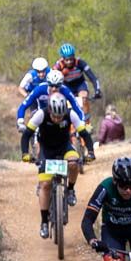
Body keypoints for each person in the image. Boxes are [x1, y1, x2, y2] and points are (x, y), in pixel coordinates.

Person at [23, 93, 93, 236]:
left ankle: (71, 190)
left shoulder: (71, 114)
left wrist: (90, 152)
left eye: (60, 117)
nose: (56, 119)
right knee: (45, 185)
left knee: (74, 163)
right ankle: (44, 222)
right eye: (54, 116)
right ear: (50, 110)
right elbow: (26, 134)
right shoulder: (41, 115)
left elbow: (84, 133)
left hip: (64, 147)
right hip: (46, 151)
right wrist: (25, 153)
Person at [54, 42, 102, 117]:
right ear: (63, 58)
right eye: (67, 60)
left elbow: (92, 77)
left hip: (80, 84)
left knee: (84, 99)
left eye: (71, 59)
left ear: (74, 57)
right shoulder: (58, 65)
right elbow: (52, 79)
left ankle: (87, 123)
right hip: (67, 85)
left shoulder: (80, 63)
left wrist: (97, 90)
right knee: (64, 103)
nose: (69, 62)